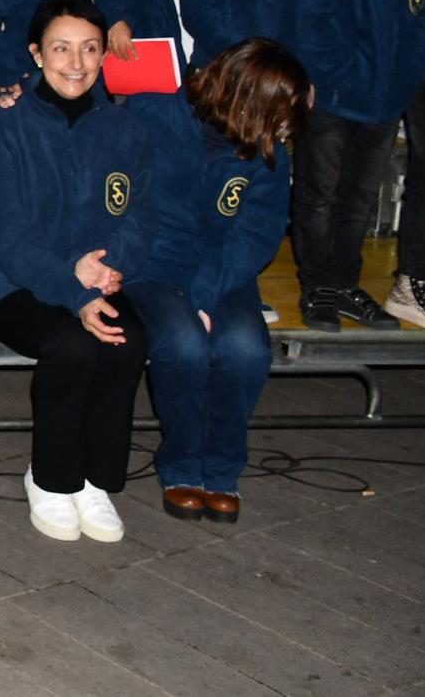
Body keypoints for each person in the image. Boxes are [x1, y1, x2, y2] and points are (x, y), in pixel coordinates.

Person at [0, 0, 151, 543]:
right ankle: (50, 478)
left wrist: (110, 268)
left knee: (126, 338)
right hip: (13, 280)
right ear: (36, 53)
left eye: (90, 49)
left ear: (104, 55)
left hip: (97, 276)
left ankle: (94, 478)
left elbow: (144, 212)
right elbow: (11, 237)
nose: (76, 63)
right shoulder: (5, 126)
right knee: (72, 343)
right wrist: (75, 292)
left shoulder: (126, 127)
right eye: (61, 48)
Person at [130, 40, 308, 523]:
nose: (288, 124)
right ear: (248, 97)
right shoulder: (157, 115)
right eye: (281, 110)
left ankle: (222, 470)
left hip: (223, 273)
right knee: (184, 345)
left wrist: (207, 292)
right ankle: (182, 466)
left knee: (246, 348)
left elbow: (256, 235)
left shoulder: (268, 154)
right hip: (152, 269)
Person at [292, 0, 425, 331]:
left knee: (359, 199)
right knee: (320, 195)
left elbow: (423, 24)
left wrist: (406, 74)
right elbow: (312, 27)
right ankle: (317, 286)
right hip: (333, 99)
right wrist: (343, 78)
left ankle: (344, 282)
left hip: (387, 101)